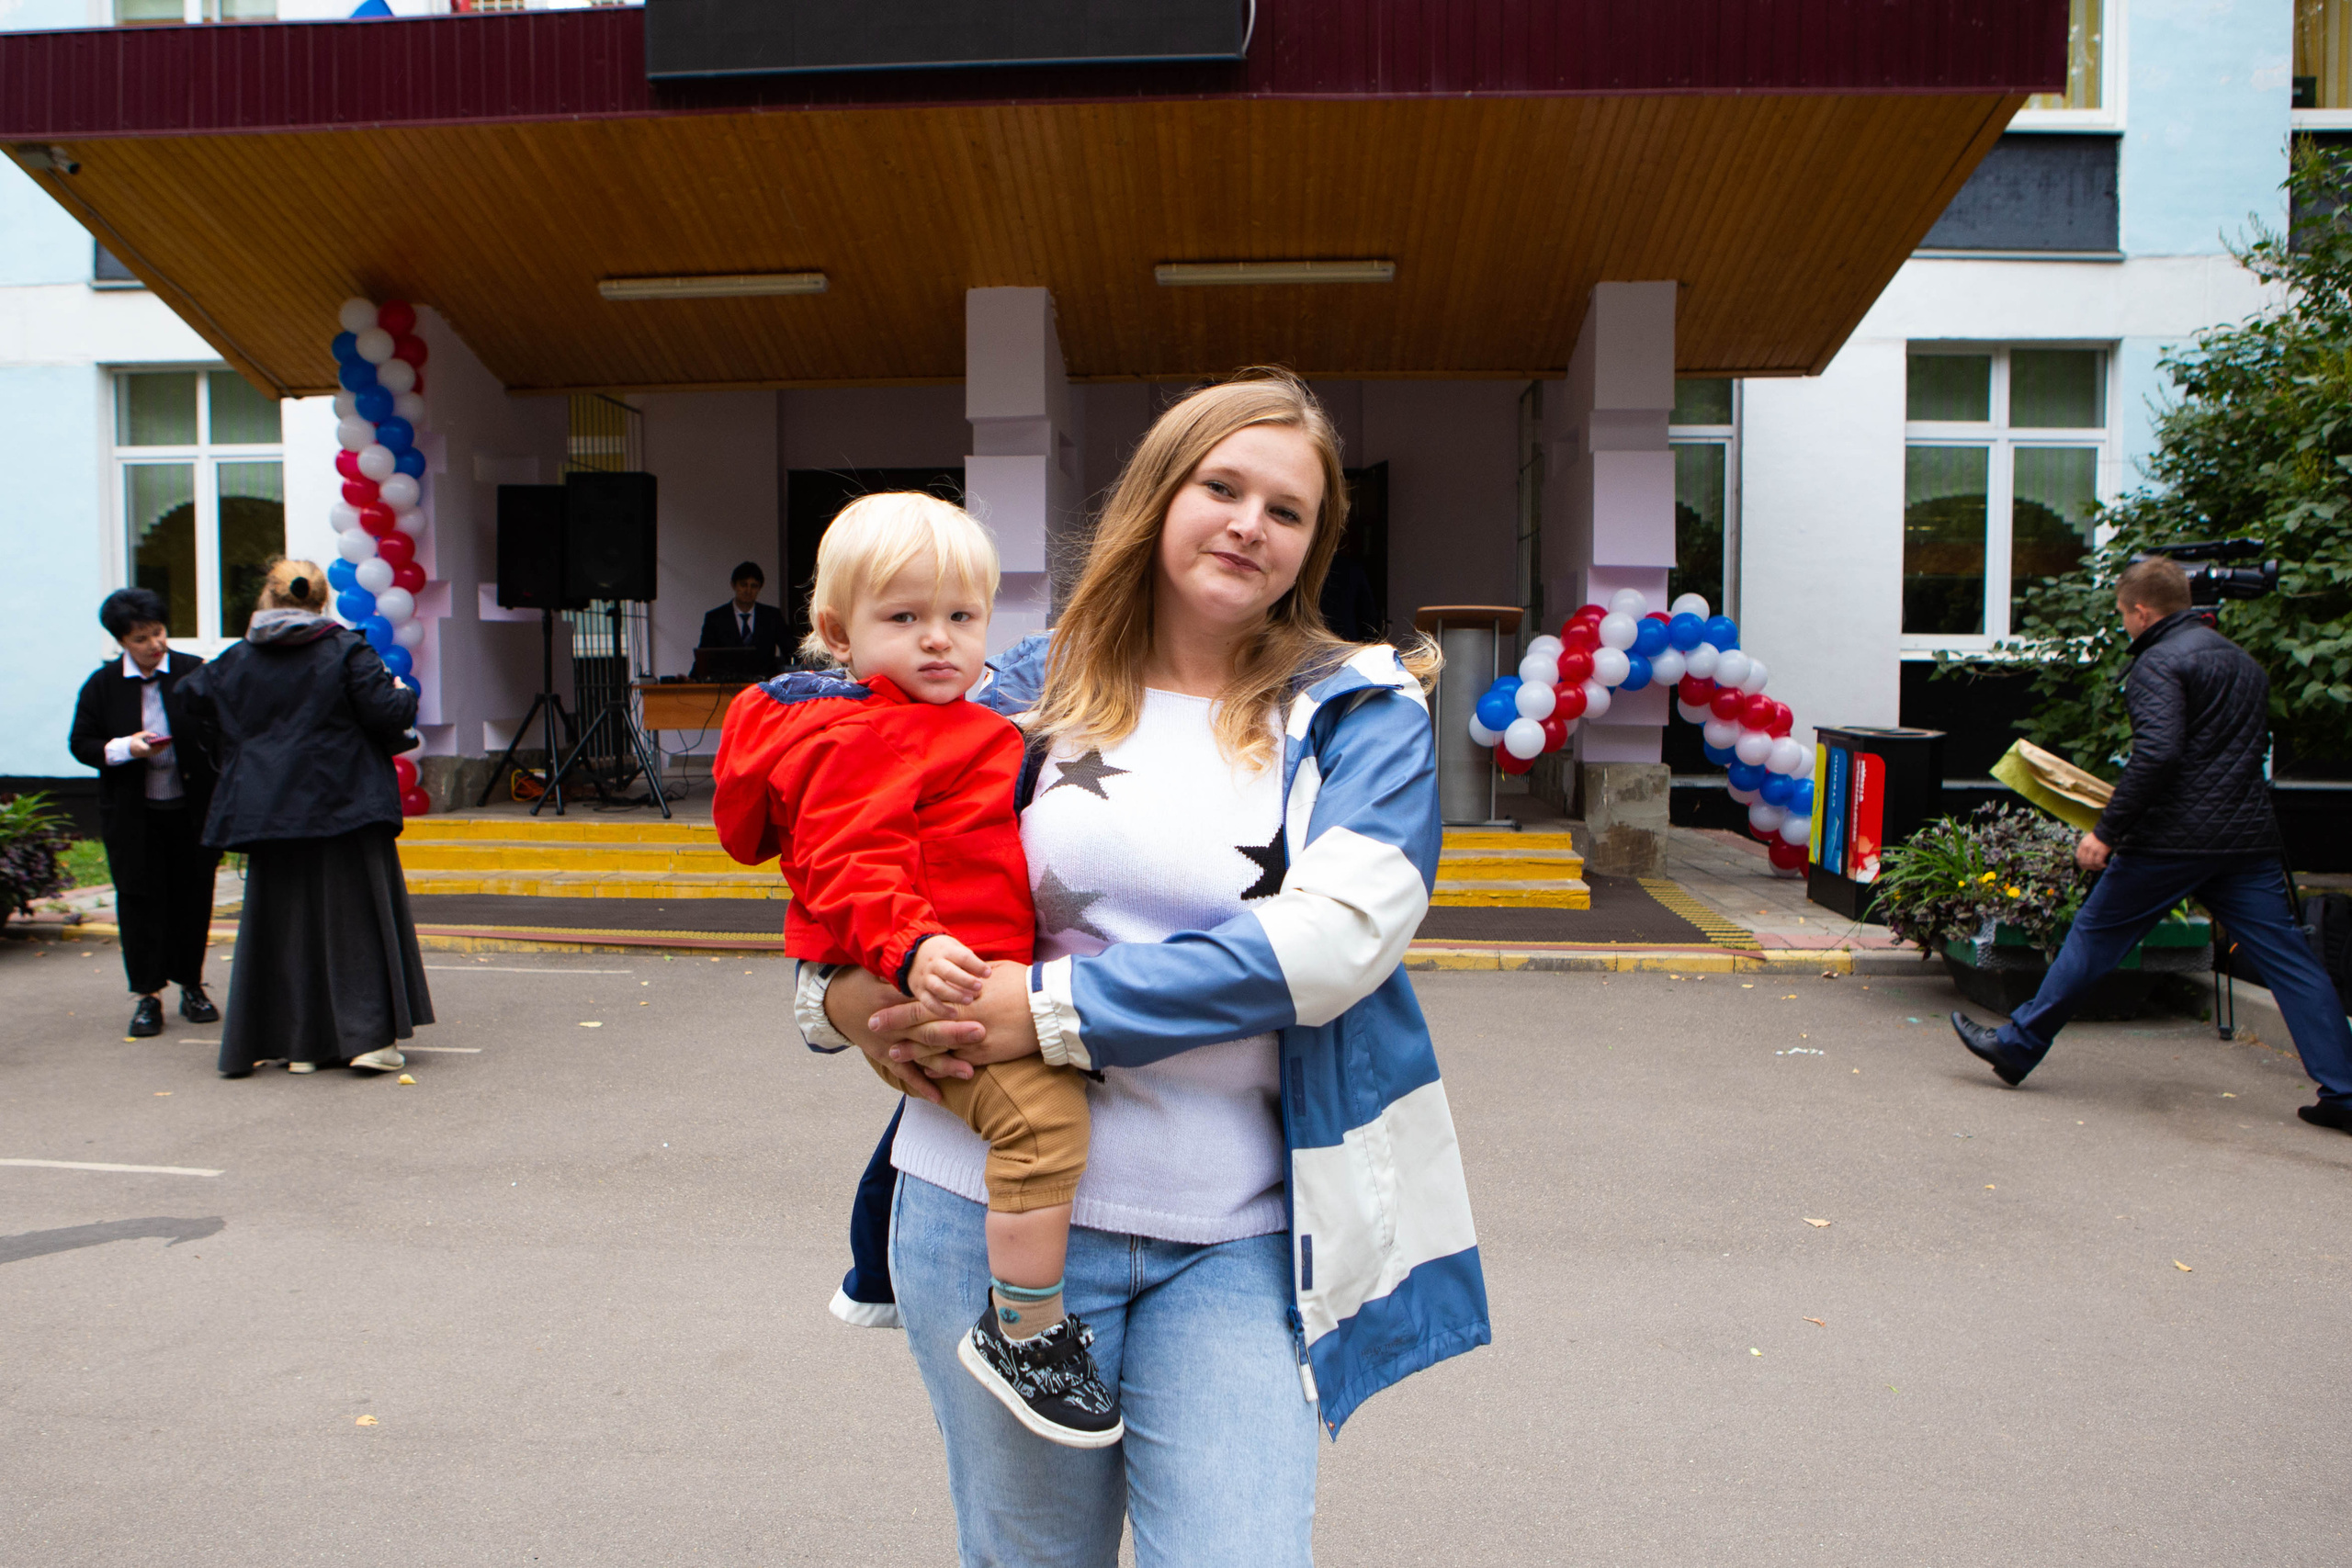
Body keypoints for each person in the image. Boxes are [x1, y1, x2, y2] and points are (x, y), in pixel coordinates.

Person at [796, 371, 1488, 1562]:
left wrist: (1045, 1009)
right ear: (1159, 495)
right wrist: (842, 999)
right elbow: (845, 853)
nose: (1248, 524)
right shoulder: (1019, 687)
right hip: (982, 1213)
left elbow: (1337, 940)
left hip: (1237, 1238)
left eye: (1286, 510)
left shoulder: (1358, 709)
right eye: (1222, 487)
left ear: (1313, 544)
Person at [713, 491, 1118, 1449]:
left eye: (962, 616)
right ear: (836, 634)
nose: (939, 639)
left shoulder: (964, 722)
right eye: (903, 617)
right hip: (928, 971)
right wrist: (909, 949)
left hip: (958, 967)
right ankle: (1026, 1330)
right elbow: (847, 862)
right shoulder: (859, 734)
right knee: (1042, 1124)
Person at [1951, 557, 2352, 1135]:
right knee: (2291, 961)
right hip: (2244, 840)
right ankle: (2344, 1091)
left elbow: (2159, 753)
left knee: (2095, 937)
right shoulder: (2244, 663)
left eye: (2123, 614)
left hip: (2172, 840)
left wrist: (2107, 832)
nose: (2124, 624)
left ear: (2142, 611)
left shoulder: (2158, 663)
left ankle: (2017, 1046)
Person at [176, 559, 435, 1078]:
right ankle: (368, 1039)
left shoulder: (240, 657)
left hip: (270, 808)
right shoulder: (345, 650)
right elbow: (386, 713)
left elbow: (190, 697)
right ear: (321, 601)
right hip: (345, 802)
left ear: (269, 599)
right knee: (354, 921)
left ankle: (301, 1045)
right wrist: (404, 694)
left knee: (286, 925)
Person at [67, 587, 222, 1038]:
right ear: (121, 642)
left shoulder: (193, 672)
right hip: (134, 816)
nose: (155, 644)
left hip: (190, 811)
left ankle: (191, 986)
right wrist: (125, 748)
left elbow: (222, 730)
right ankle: (148, 995)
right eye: (141, 638)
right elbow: (81, 743)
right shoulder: (102, 685)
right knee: (139, 901)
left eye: (158, 632)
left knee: (193, 898)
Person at [697, 560, 790, 670]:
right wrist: (690, 678)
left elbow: (790, 650)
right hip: (727, 678)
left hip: (765, 678)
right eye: (743, 585)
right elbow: (704, 658)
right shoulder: (715, 618)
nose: (748, 591)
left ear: (759, 588)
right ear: (733, 585)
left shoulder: (772, 617)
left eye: (754, 586)